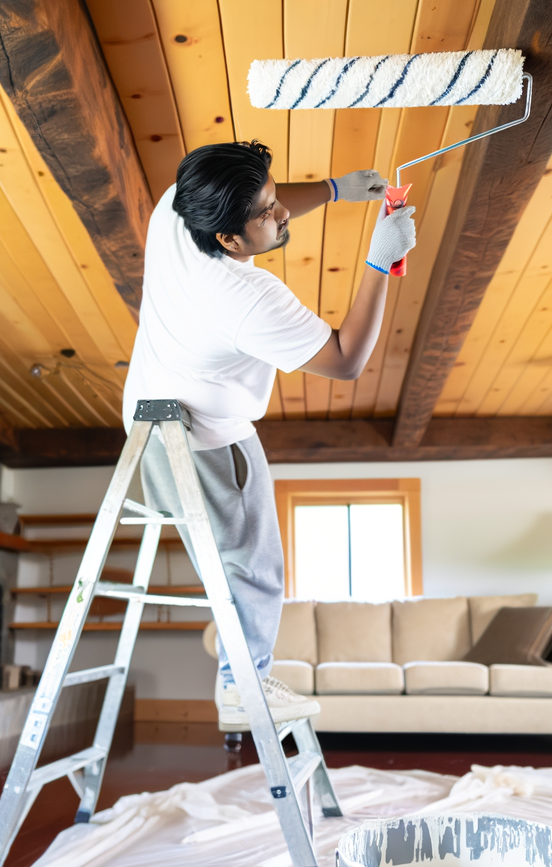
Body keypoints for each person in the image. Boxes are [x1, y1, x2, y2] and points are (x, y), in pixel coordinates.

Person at [121, 140, 418, 737]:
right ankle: (242, 685)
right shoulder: (248, 300)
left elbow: (261, 201)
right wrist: (381, 262)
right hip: (204, 440)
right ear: (230, 240)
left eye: (275, 197)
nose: (282, 212)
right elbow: (345, 359)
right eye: (267, 213)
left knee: (238, 563)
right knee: (254, 568)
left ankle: (242, 678)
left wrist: (336, 188)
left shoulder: (177, 206)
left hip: (147, 419)